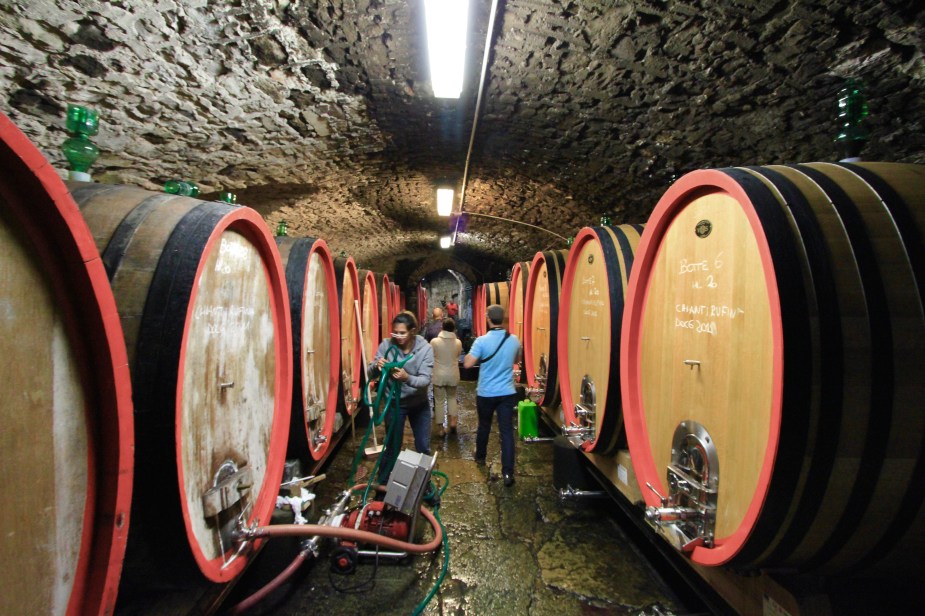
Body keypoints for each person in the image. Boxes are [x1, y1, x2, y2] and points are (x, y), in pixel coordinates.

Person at [368, 311, 434, 482]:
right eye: (395, 332)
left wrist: (407, 378)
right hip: (395, 404)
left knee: (423, 447)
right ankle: (382, 485)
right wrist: (376, 366)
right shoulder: (385, 346)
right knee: (392, 447)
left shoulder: (425, 349)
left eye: (402, 332)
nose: (398, 336)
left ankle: (424, 487)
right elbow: (370, 372)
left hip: (419, 404)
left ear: (412, 331)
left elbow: (425, 380)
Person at [464, 304, 521, 487]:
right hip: (507, 392)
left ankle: (480, 457)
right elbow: (517, 360)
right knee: (506, 432)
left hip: (487, 392)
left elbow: (467, 364)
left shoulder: (481, 341)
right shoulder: (514, 340)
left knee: (484, 426)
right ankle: (508, 473)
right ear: (503, 318)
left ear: (488, 318)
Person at [430, 318, 462, 437]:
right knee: (452, 398)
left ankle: (440, 429)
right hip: (453, 374)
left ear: (442, 327)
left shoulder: (434, 342)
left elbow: (431, 355)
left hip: (439, 374)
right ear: (453, 329)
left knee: (439, 402)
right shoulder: (458, 342)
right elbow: (458, 355)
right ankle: (453, 422)